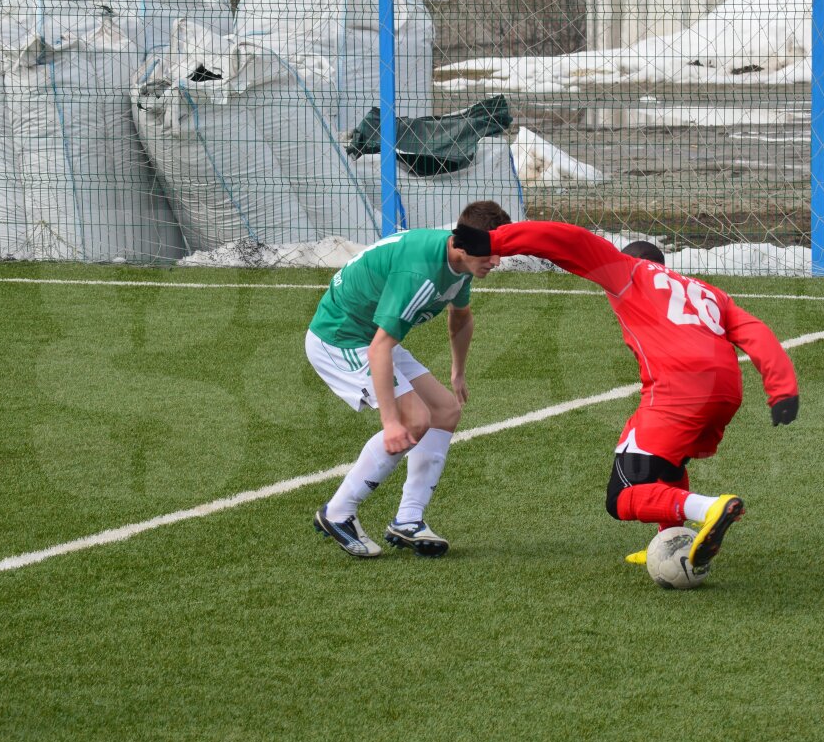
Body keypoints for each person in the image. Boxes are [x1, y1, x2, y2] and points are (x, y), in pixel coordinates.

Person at [451, 221, 799, 569]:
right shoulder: (708, 292)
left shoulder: (626, 270)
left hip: (679, 387)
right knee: (668, 461)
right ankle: (673, 538)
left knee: (621, 497)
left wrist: (493, 240)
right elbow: (755, 330)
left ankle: (709, 507)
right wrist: (782, 389)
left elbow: (570, 240)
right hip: (725, 389)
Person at [306, 200, 511, 558]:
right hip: (341, 338)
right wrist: (390, 422)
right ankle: (338, 512)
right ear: (461, 244)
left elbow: (460, 317)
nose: (496, 262)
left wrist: (458, 371)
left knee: (445, 411)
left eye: (499, 252)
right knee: (413, 421)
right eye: (489, 253)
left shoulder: (460, 261)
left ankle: (408, 520)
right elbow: (379, 350)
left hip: (372, 335)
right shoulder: (420, 274)